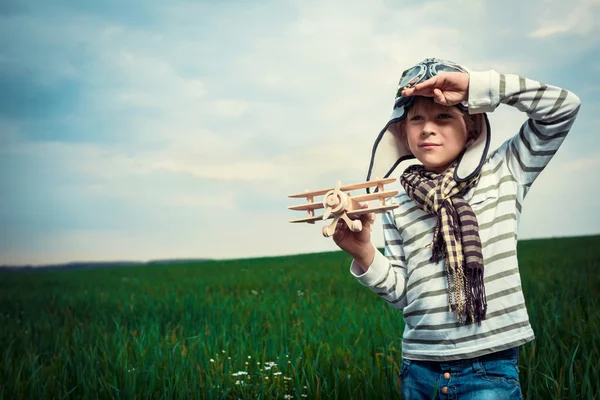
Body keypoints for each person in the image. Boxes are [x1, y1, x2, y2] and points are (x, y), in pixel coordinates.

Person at [332, 58, 581, 399]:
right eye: (416, 118)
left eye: (443, 116)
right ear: (402, 131)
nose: (427, 128)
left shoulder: (505, 171)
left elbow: (563, 107)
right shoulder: (397, 202)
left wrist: (475, 87)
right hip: (419, 370)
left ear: (474, 127)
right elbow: (405, 296)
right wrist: (362, 252)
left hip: (489, 370)